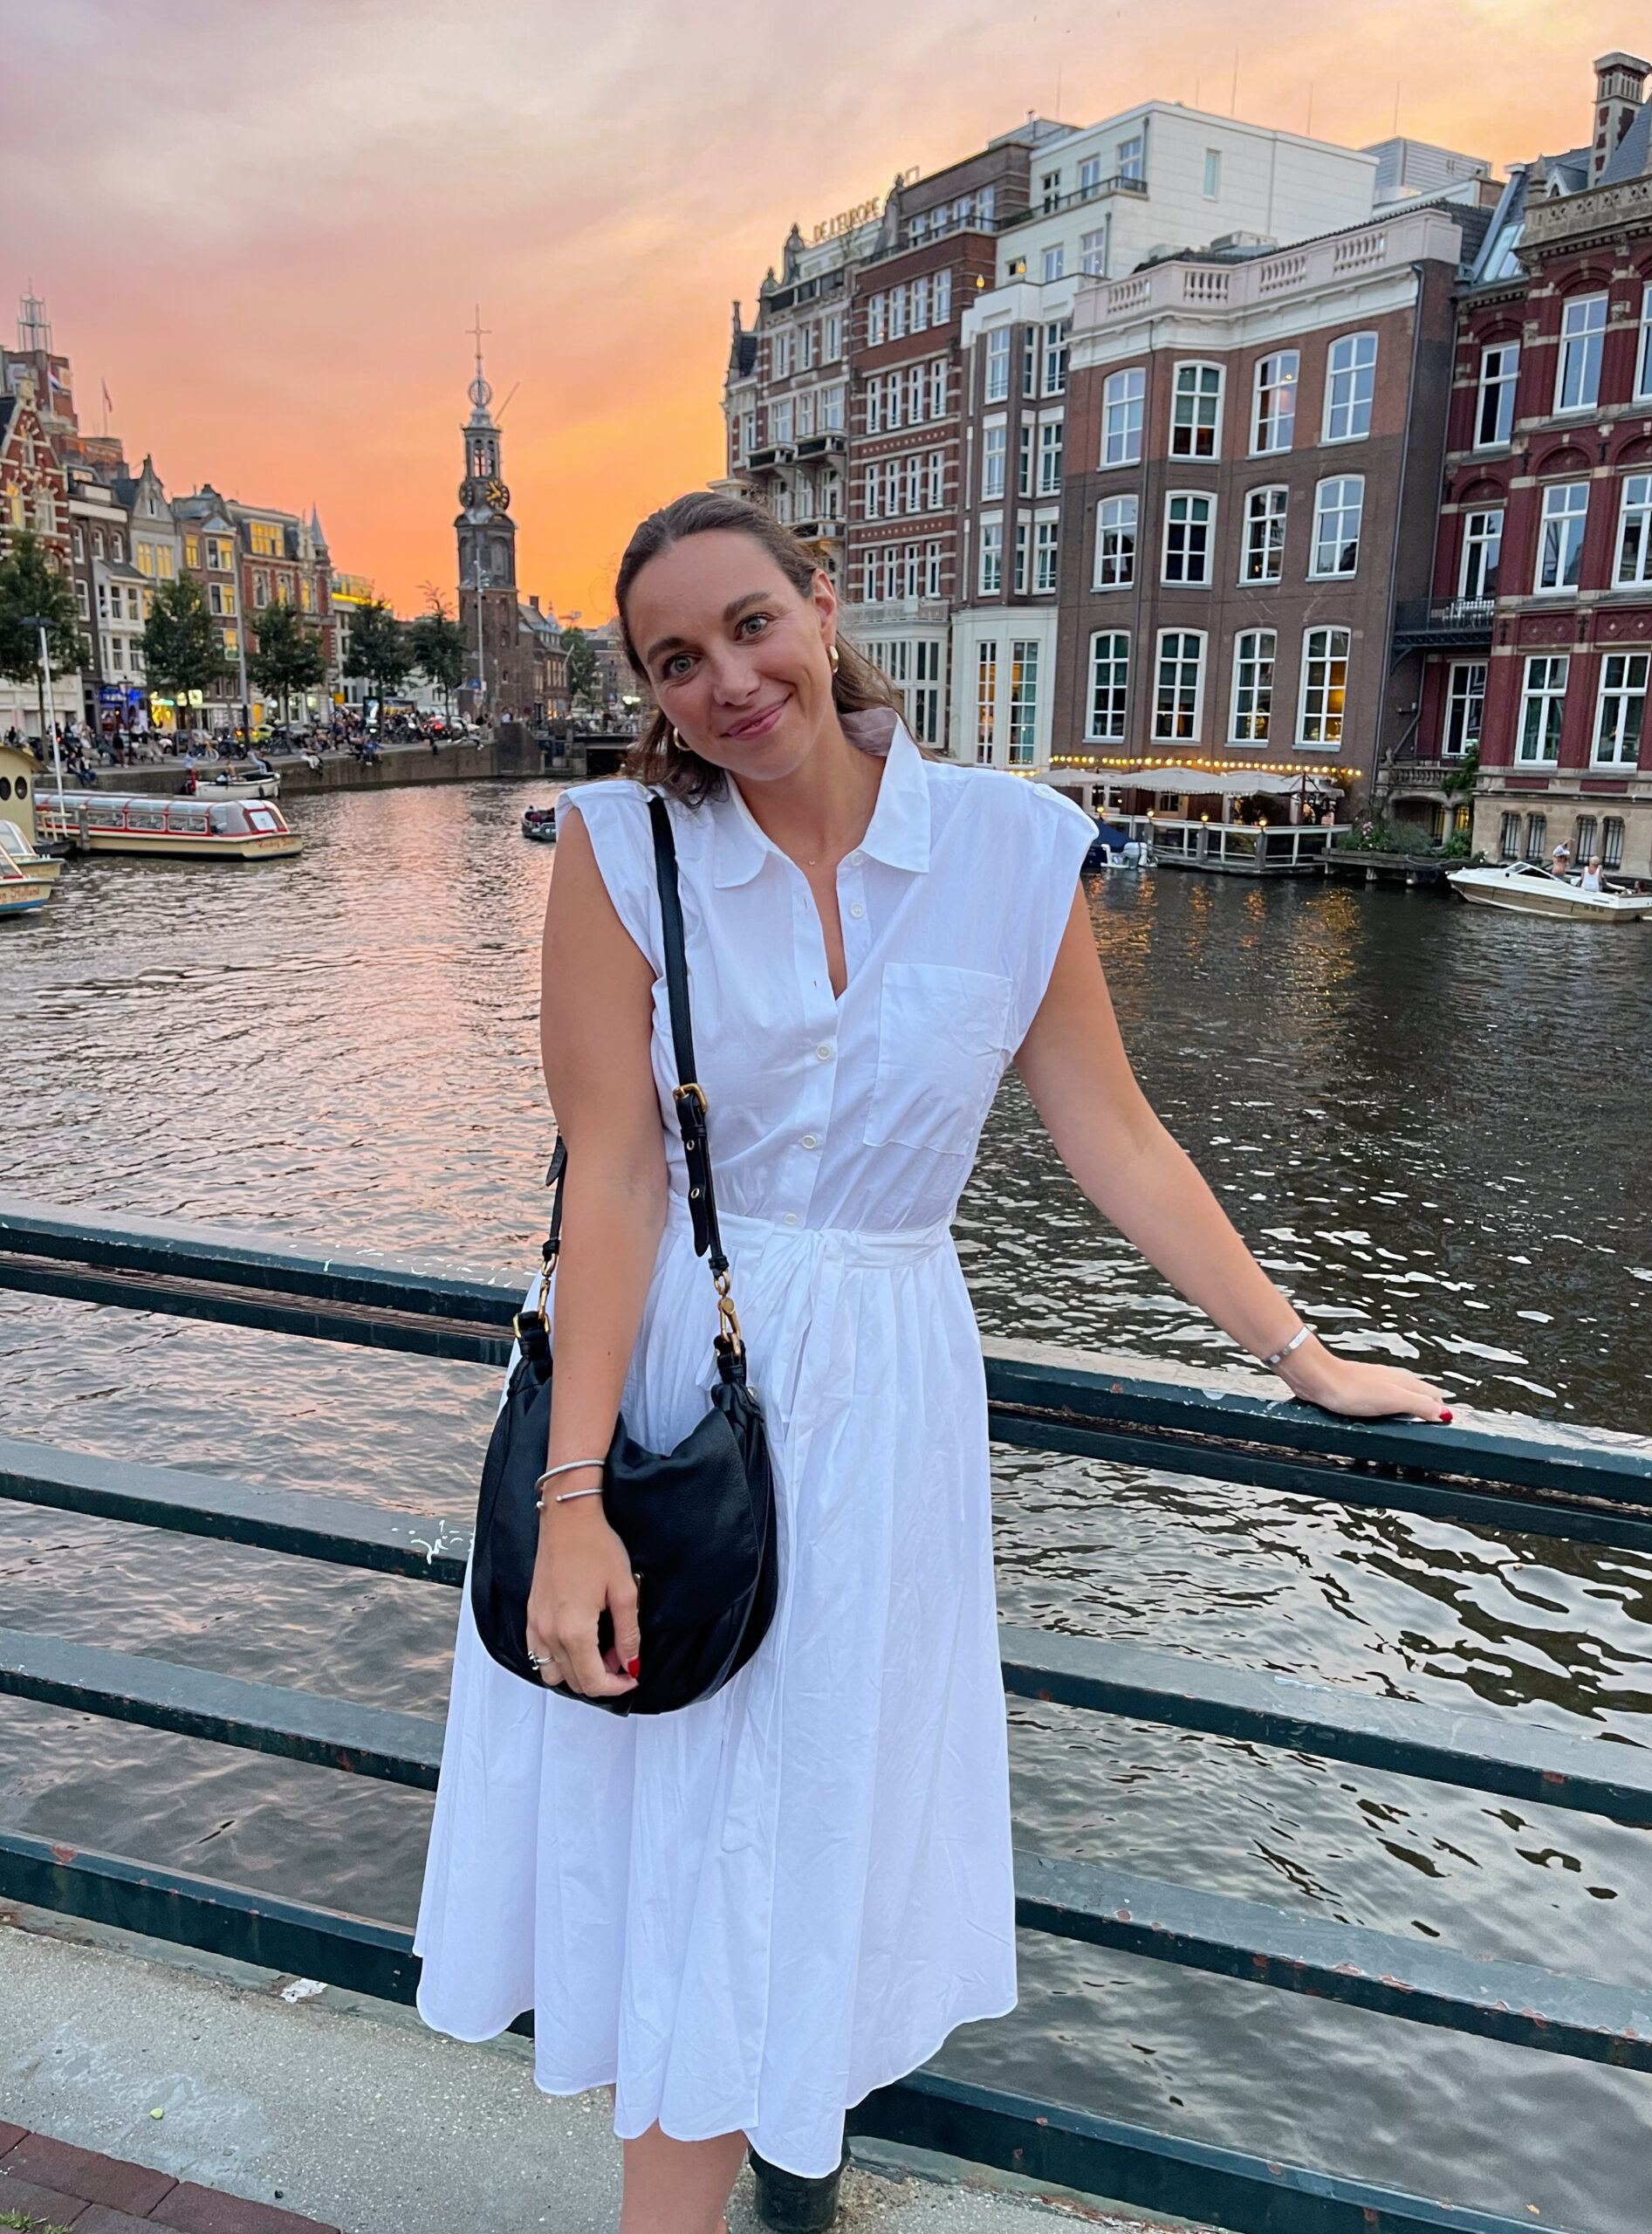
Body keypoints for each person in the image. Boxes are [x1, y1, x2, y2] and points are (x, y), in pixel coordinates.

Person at [414, 492, 1450, 2234]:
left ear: (824, 607)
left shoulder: (1011, 845)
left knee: (805, 1829)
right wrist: (575, 1492)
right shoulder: (615, 851)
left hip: (889, 1399)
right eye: (678, 660)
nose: (728, 681)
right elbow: (612, 1175)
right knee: (693, 1839)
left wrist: (1302, 1349)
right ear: (650, 692)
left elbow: (1115, 1135)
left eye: (753, 624)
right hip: (682, 1386)